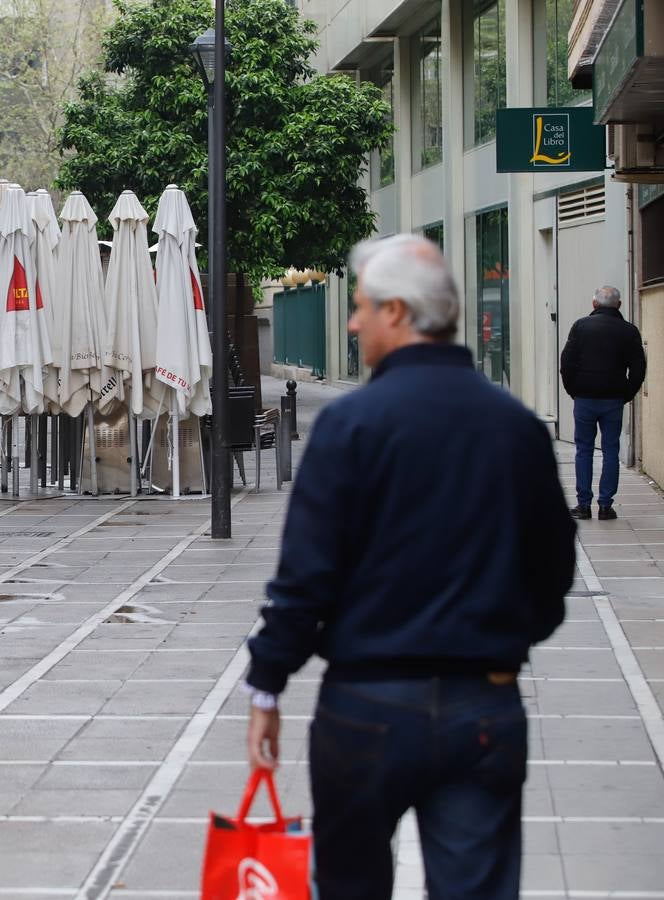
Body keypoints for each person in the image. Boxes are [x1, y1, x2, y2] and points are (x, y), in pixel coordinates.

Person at [244, 234, 575, 900]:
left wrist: (267, 685)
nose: (352, 320)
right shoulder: (517, 428)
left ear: (398, 312)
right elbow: (553, 572)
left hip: (366, 705)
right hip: (485, 703)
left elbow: (305, 579)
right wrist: (504, 638)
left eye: (363, 305)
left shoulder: (350, 427)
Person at [559, 286, 646, 521]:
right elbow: (638, 369)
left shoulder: (580, 327)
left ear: (594, 304)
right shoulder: (629, 331)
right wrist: (625, 394)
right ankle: (606, 506)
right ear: (618, 305)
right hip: (613, 400)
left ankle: (583, 505)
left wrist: (573, 390)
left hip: (585, 399)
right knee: (610, 450)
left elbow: (566, 362)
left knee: (584, 450)